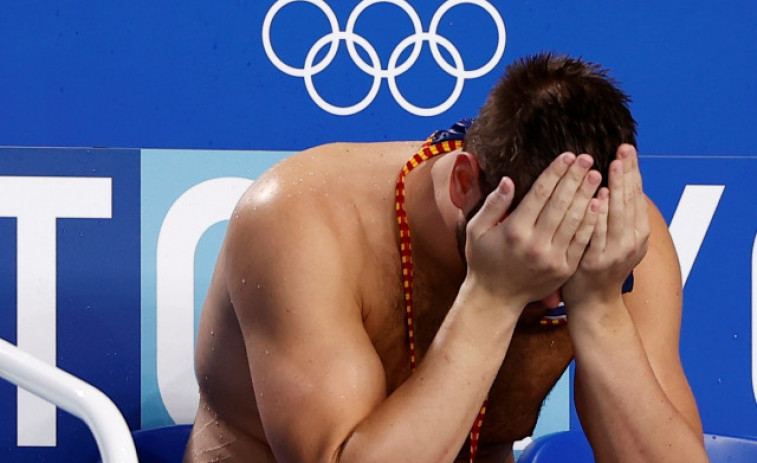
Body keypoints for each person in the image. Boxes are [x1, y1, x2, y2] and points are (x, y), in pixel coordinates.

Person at [183, 53, 708, 463]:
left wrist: (598, 304)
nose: (550, 294)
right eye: (533, 255)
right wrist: (493, 297)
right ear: (463, 184)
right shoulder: (302, 219)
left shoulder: (625, 243)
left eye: (570, 273)